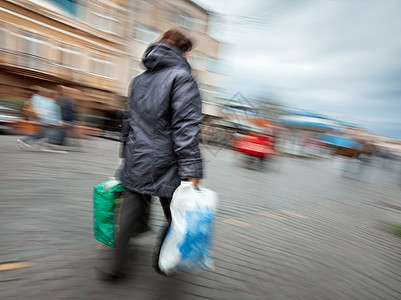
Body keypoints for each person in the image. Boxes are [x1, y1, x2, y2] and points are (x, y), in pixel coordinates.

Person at [100, 29, 203, 280]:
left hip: (137, 158)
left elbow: (129, 122)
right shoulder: (182, 78)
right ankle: (162, 259)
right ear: (185, 51)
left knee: (129, 214)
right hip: (169, 162)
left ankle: (115, 267)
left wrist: (126, 155)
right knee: (175, 214)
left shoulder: (139, 80)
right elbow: (185, 126)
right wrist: (191, 169)